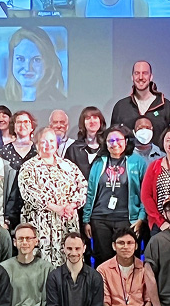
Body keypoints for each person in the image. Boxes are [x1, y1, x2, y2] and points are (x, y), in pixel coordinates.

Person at [18, 127, 88, 266]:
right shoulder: (29, 167)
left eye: (51, 141)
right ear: (37, 144)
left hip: (66, 222)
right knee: (42, 265)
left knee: (68, 260)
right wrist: (55, 208)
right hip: (41, 223)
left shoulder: (68, 165)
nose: (48, 144)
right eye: (43, 141)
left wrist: (72, 205)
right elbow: (28, 192)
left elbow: (82, 186)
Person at [84, 126, 148, 266]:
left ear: (126, 141)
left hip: (127, 219)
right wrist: (86, 219)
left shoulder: (137, 162)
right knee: (103, 262)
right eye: (110, 140)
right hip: (100, 219)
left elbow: (145, 193)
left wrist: (141, 218)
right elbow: (90, 191)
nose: (115, 143)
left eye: (118, 140)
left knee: (127, 261)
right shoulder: (99, 162)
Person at [110, 61, 170, 146]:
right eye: (137, 73)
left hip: (159, 154)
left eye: (145, 73)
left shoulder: (165, 106)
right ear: (132, 77)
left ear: (151, 77)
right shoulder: (121, 106)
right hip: (129, 155)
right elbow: (113, 137)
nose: (140, 77)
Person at [0, 27, 66, 102]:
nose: (27, 68)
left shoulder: (59, 102)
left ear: (48, 63)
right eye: (20, 59)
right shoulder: (0, 99)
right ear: (11, 61)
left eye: (36, 60)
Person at [65, 106, 107, 178]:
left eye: (95, 117)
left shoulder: (107, 148)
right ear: (83, 123)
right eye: (88, 118)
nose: (92, 121)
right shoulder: (73, 149)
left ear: (101, 121)